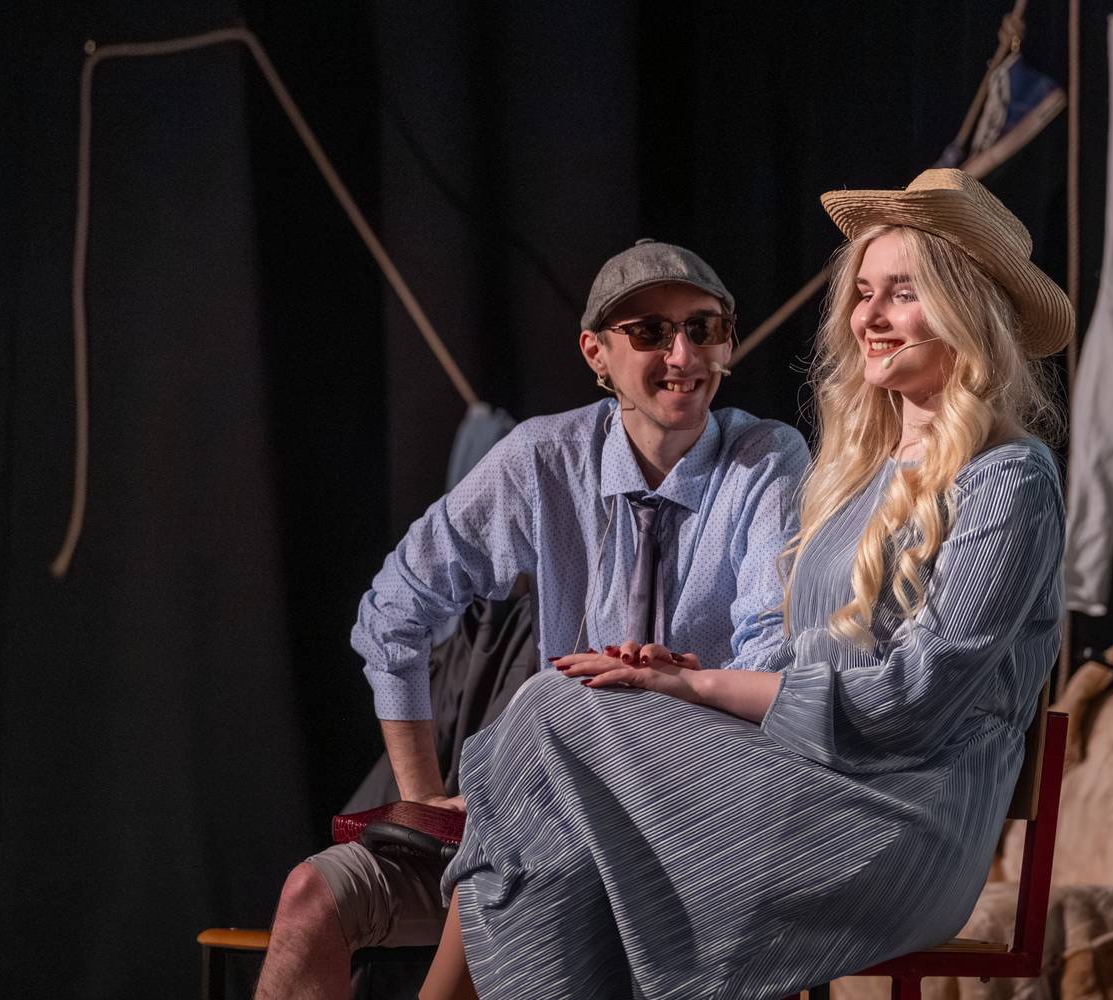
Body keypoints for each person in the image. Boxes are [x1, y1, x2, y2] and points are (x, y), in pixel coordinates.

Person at [416, 169, 1072, 1000]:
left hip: (899, 823)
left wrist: (703, 687)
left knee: (556, 721)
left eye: (903, 293)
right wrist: (687, 684)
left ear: (966, 309)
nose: (869, 316)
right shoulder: (858, 476)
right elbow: (816, 660)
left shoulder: (1009, 478)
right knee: (562, 715)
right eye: (863, 292)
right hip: (810, 776)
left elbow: (912, 699)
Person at [254, 240, 810, 1000]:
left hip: (692, 832)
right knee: (312, 898)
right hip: (536, 820)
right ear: (596, 353)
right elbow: (393, 611)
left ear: (728, 341)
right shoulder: (543, 459)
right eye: (651, 332)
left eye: (703, 328)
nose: (683, 355)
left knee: (511, 888)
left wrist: (682, 688)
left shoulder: (767, 460)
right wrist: (423, 797)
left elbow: (771, 659)